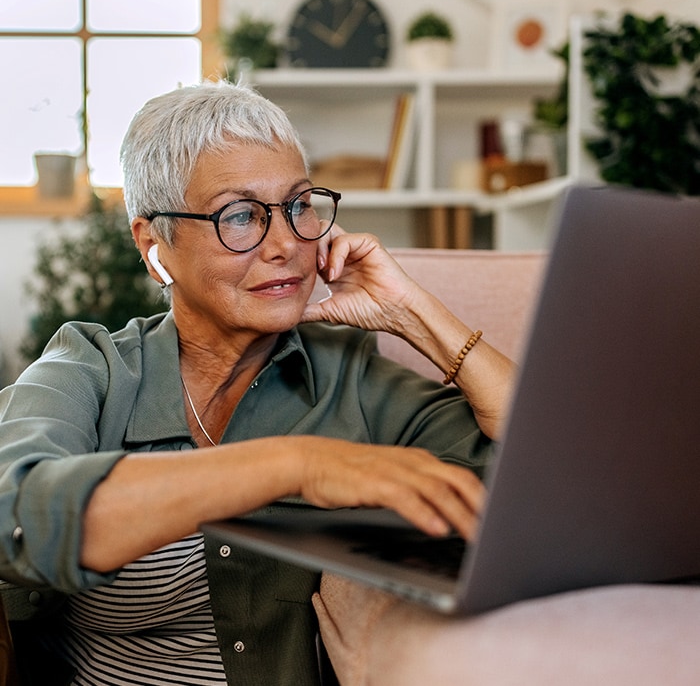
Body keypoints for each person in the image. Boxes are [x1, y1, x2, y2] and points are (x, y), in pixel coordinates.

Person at [0, 79, 514, 685]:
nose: (286, 245)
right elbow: (20, 514)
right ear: (154, 244)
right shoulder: (91, 369)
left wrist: (415, 315)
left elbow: (546, 478)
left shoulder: (349, 378)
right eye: (239, 216)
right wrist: (298, 465)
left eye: (299, 207)